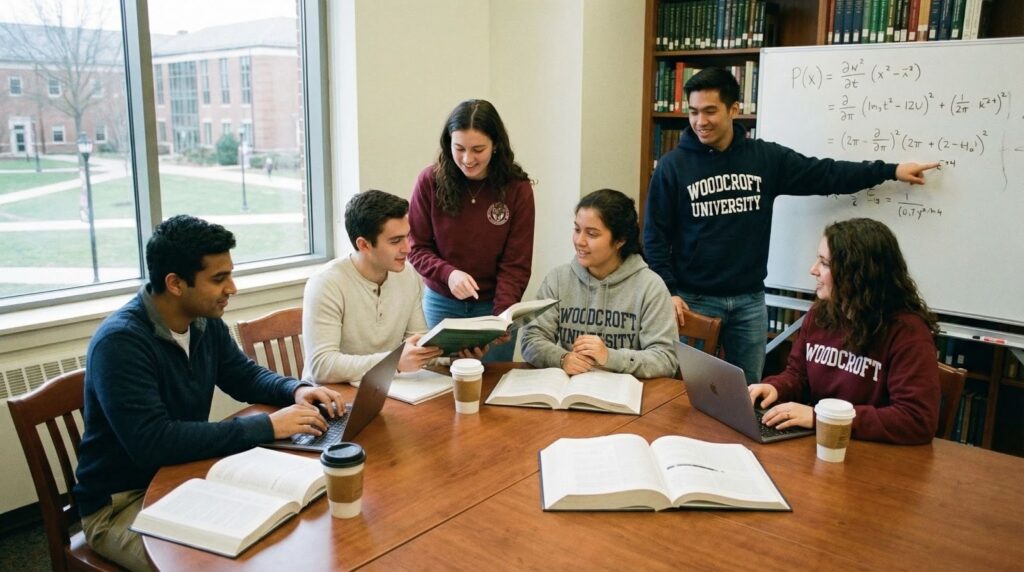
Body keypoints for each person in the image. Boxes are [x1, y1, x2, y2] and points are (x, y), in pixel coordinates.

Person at [73, 215, 345, 571]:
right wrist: (268, 426)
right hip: (121, 504)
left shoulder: (203, 320)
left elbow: (241, 375)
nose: (232, 287)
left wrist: (294, 389)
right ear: (175, 283)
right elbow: (153, 442)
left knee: (285, 530)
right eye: (219, 279)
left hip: (186, 475)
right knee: (220, 565)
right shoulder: (120, 343)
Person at [643, 66, 940, 384]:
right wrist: (669, 291)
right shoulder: (673, 167)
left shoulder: (765, 158)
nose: (700, 122)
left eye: (710, 111)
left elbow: (826, 173)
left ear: (734, 109)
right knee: (685, 390)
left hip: (750, 301)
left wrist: (891, 170)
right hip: (693, 301)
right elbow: (654, 237)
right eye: (693, 112)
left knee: (748, 392)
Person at [748, 218, 940, 445]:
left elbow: (916, 419)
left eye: (825, 263)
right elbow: (798, 376)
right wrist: (774, 388)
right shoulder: (820, 313)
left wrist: (822, 418)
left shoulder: (907, 332)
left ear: (857, 272)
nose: (813, 270)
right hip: (823, 446)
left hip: (874, 457)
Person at [408, 99, 535, 362]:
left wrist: (501, 317)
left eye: (478, 149)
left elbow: (516, 262)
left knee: (492, 386)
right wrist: (449, 274)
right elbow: (416, 247)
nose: (467, 159)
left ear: (496, 145)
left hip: (493, 306)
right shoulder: (429, 182)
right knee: (440, 386)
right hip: (442, 301)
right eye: (459, 148)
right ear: (448, 144)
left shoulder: (517, 188)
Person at [521, 189, 677, 379]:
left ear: (620, 240)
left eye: (592, 234)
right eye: (577, 230)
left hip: (627, 397)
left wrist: (610, 357)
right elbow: (531, 341)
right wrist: (562, 359)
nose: (580, 241)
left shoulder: (650, 287)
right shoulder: (558, 279)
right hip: (570, 392)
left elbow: (666, 359)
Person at [302, 190, 447, 383]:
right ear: (363, 245)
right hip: (331, 397)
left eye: (407, 236)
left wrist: (456, 355)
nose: (408, 248)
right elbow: (322, 366)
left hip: (389, 389)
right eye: (395, 241)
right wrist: (393, 362)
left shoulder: (408, 274)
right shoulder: (326, 283)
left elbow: (417, 343)